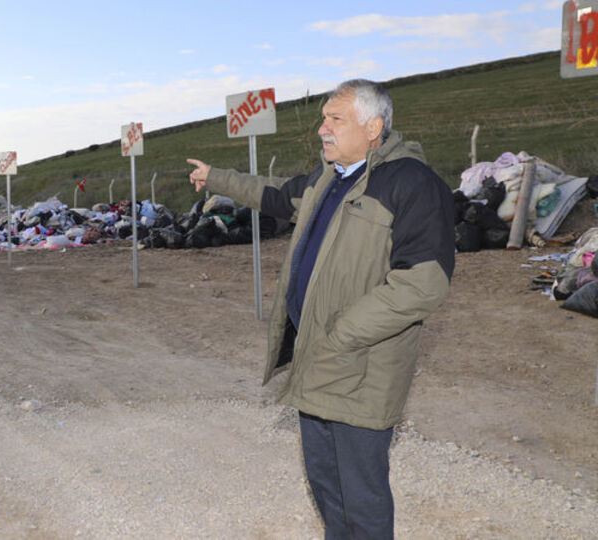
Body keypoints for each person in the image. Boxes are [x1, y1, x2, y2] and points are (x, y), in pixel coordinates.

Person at [186, 79, 455, 539]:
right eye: (323, 118)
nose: (321, 129)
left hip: (361, 365)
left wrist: (343, 331)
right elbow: (274, 194)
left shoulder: (412, 184)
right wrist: (216, 178)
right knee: (328, 489)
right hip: (317, 357)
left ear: (373, 127)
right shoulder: (330, 178)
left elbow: (423, 284)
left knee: (362, 499)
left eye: (335, 119)